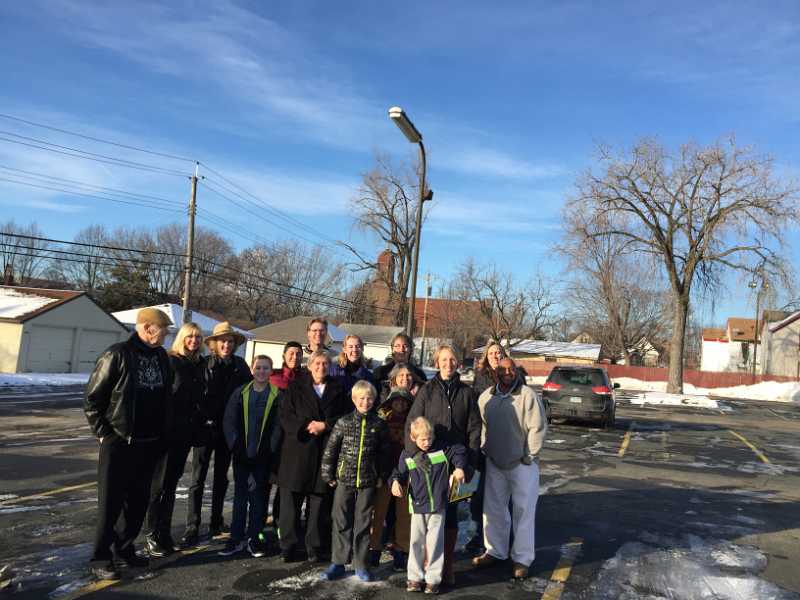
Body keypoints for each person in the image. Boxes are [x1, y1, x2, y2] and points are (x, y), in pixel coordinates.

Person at [84, 307, 173, 580]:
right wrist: (104, 433)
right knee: (110, 503)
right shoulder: (117, 354)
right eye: (163, 330)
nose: (166, 335)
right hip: (120, 442)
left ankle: (124, 549)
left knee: (137, 502)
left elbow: (166, 396)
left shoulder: (161, 357)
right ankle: (100, 557)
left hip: (150, 443)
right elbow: (93, 399)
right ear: (147, 328)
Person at [405, 344, 481, 587]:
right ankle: (423, 568)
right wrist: (414, 455)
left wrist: (469, 464)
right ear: (437, 362)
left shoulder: (466, 393)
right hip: (430, 465)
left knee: (450, 516)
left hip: (456, 464)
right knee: (426, 518)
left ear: (458, 363)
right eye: (444, 359)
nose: (448, 364)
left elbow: (474, 429)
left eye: (452, 359)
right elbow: (412, 424)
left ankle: (446, 566)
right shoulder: (427, 391)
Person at [472, 357, 547, 579]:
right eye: (502, 369)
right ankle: (495, 551)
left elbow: (538, 427)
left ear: (516, 371)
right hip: (495, 462)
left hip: (522, 464)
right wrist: (485, 449)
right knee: (494, 510)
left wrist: (529, 456)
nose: (507, 372)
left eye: (511, 369)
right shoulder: (486, 397)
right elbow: (482, 427)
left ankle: (522, 559)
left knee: (523, 512)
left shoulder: (527, 395)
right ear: (495, 372)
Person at [183, 322, 252, 546]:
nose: (226, 345)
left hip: (228, 431)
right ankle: (193, 525)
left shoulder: (241, 366)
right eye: (222, 341)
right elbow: (194, 396)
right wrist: (201, 418)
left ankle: (216, 521)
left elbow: (247, 395)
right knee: (198, 478)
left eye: (230, 341)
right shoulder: (203, 364)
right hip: (205, 429)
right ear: (214, 343)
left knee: (222, 477)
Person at [278, 350, 350, 562]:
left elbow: (345, 417)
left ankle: (314, 546)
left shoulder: (338, 389)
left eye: (325, 363)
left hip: (325, 451)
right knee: (290, 502)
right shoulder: (295, 387)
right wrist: (306, 426)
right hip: (298, 450)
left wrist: (325, 425)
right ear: (309, 366)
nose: (321, 367)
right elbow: (285, 415)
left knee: (319, 502)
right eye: (317, 363)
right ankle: (288, 545)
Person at [144, 322, 205, 558]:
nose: (194, 341)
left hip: (185, 435)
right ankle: (152, 535)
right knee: (158, 486)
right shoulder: (171, 361)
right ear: (182, 338)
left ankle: (165, 533)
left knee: (170, 485)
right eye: (190, 336)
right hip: (166, 434)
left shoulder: (198, 364)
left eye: (197, 337)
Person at [319, 380, 390, 582]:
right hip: (344, 479)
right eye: (361, 398)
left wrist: (381, 475)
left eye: (369, 398)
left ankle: (361, 564)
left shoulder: (379, 424)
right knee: (341, 520)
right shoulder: (344, 422)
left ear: (374, 400)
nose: (365, 402)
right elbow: (331, 450)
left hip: (368, 481)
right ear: (353, 399)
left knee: (363, 523)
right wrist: (328, 474)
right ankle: (338, 562)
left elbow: (385, 453)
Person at [390, 417, 467, 595]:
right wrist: (394, 481)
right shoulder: (408, 455)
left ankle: (433, 579)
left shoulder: (443, 449)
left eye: (429, 438)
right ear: (413, 438)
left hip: (438, 506)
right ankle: (414, 578)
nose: (427, 443)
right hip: (417, 506)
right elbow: (398, 472)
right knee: (416, 542)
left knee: (435, 543)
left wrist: (459, 467)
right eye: (422, 439)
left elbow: (459, 451)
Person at [219, 355, 283, 558]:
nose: (261, 371)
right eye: (258, 368)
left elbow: (278, 427)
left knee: (258, 498)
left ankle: (254, 538)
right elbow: (228, 421)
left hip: (263, 456)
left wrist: (269, 450)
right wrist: (235, 446)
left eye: (266, 368)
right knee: (240, 497)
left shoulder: (277, 395)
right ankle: (235, 538)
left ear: (271, 371)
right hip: (241, 455)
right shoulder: (240, 393)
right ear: (252, 369)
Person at [370, 364, 417, 570]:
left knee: (404, 515)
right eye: (396, 401)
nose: (400, 404)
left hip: (405, 472)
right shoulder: (382, 419)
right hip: (384, 471)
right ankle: (374, 547)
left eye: (404, 402)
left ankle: (401, 549)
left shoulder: (413, 421)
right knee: (378, 512)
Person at [466, 340, 508, 554]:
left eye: (498, 352)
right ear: (486, 357)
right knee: (479, 492)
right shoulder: (481, 376)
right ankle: (477, 535)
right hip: (483, 440)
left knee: (500, 494)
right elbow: (474, 408)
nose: (495, 356)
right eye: (491, 353)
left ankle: (500, 537)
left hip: (505, 443)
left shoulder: (512, 375)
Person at [328, 334, 374, 399]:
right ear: (344, 349)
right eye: (350, 347)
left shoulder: (368, 376)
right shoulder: (333, 371)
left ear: (362, 349)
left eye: (357, 346)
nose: (354, 350)